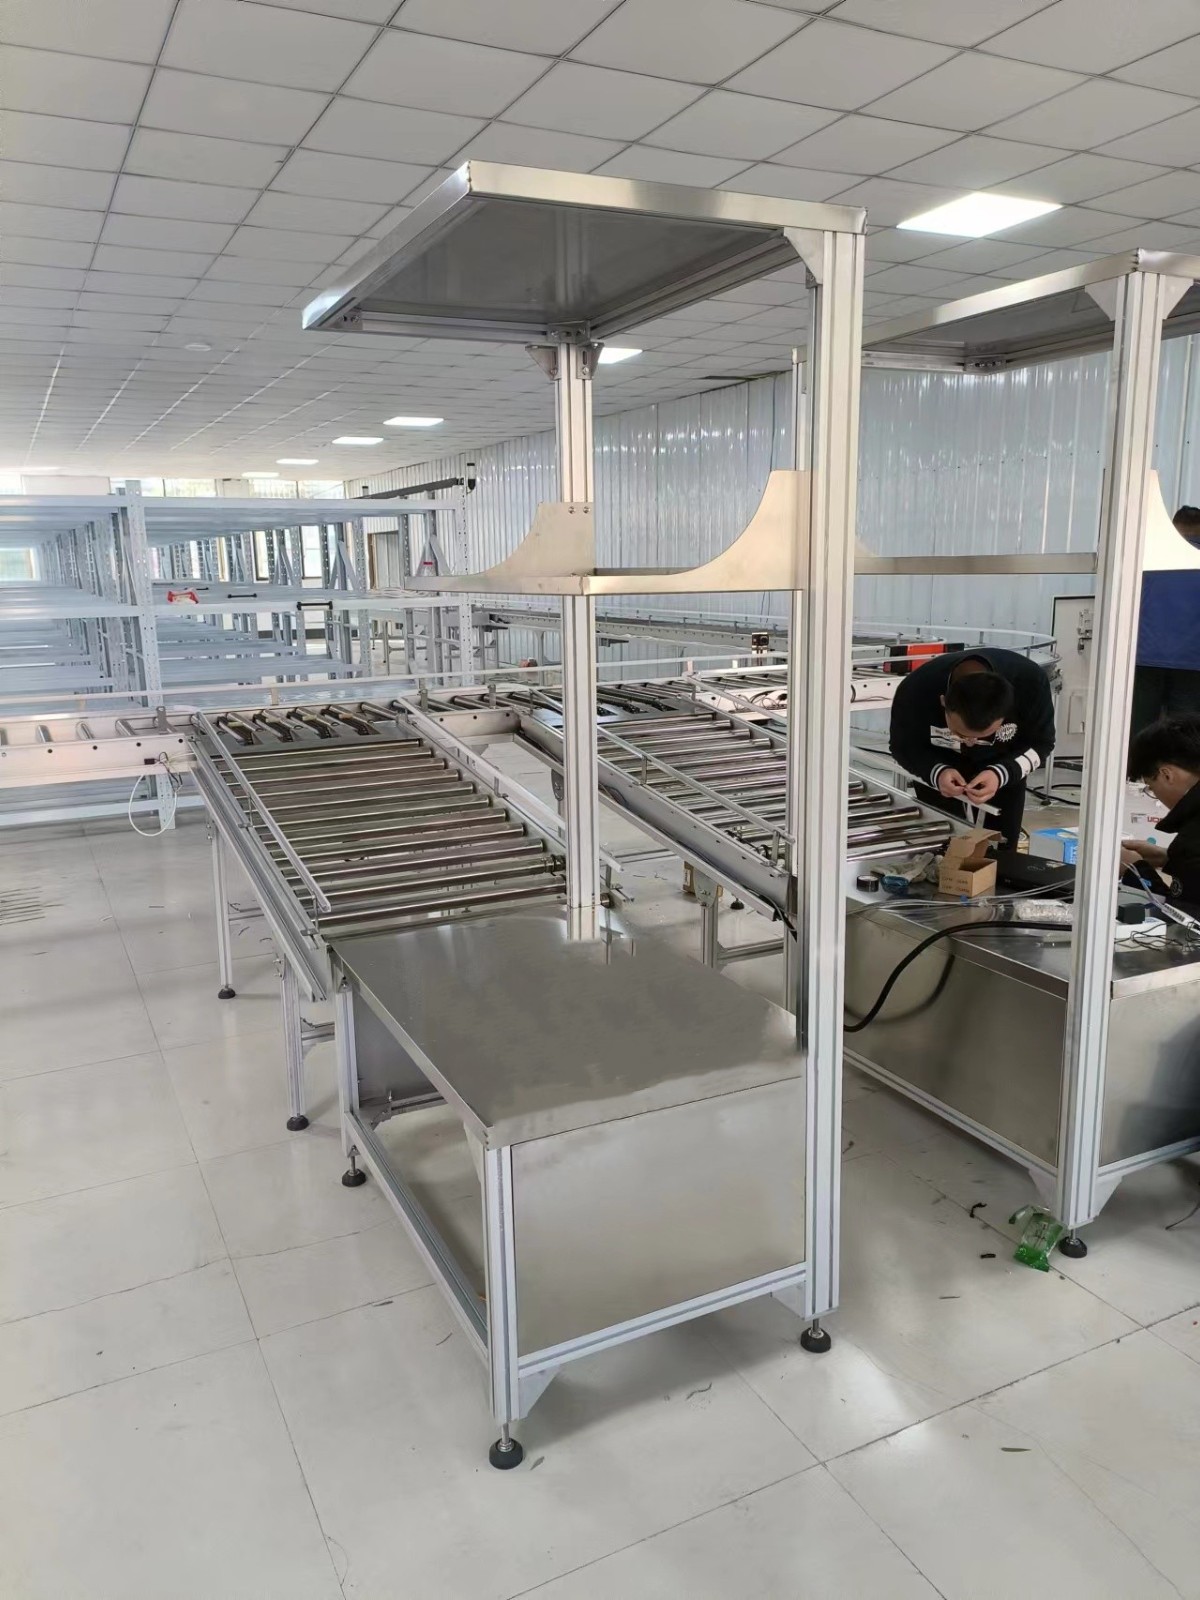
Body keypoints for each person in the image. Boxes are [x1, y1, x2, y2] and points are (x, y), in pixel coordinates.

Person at [888, 647, 1056, 849]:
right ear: (943, 702)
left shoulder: (1030, 682)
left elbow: (1042, 743)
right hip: (937, 759)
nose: (970, 742)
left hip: (1004, 759)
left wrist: (1002, 774)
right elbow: (903, 745)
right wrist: (936, 772)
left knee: (1002, 848)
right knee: (945, 846)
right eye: (960, 733)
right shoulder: (916, 689)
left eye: (983, 736)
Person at [1130, 505, 1200, 739]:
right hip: (1192, 664)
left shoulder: (1149, 558)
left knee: (1140, 729)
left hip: (1145, 659)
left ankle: (1135, 763)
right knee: (1185, 734)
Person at [1122, 713, 1200, 913]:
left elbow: (1184, 917)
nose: (1154, 793)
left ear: (1166, 775)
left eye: (1150, 787)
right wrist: (1169, 858)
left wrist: (1135, 869)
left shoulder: (1192, 840)